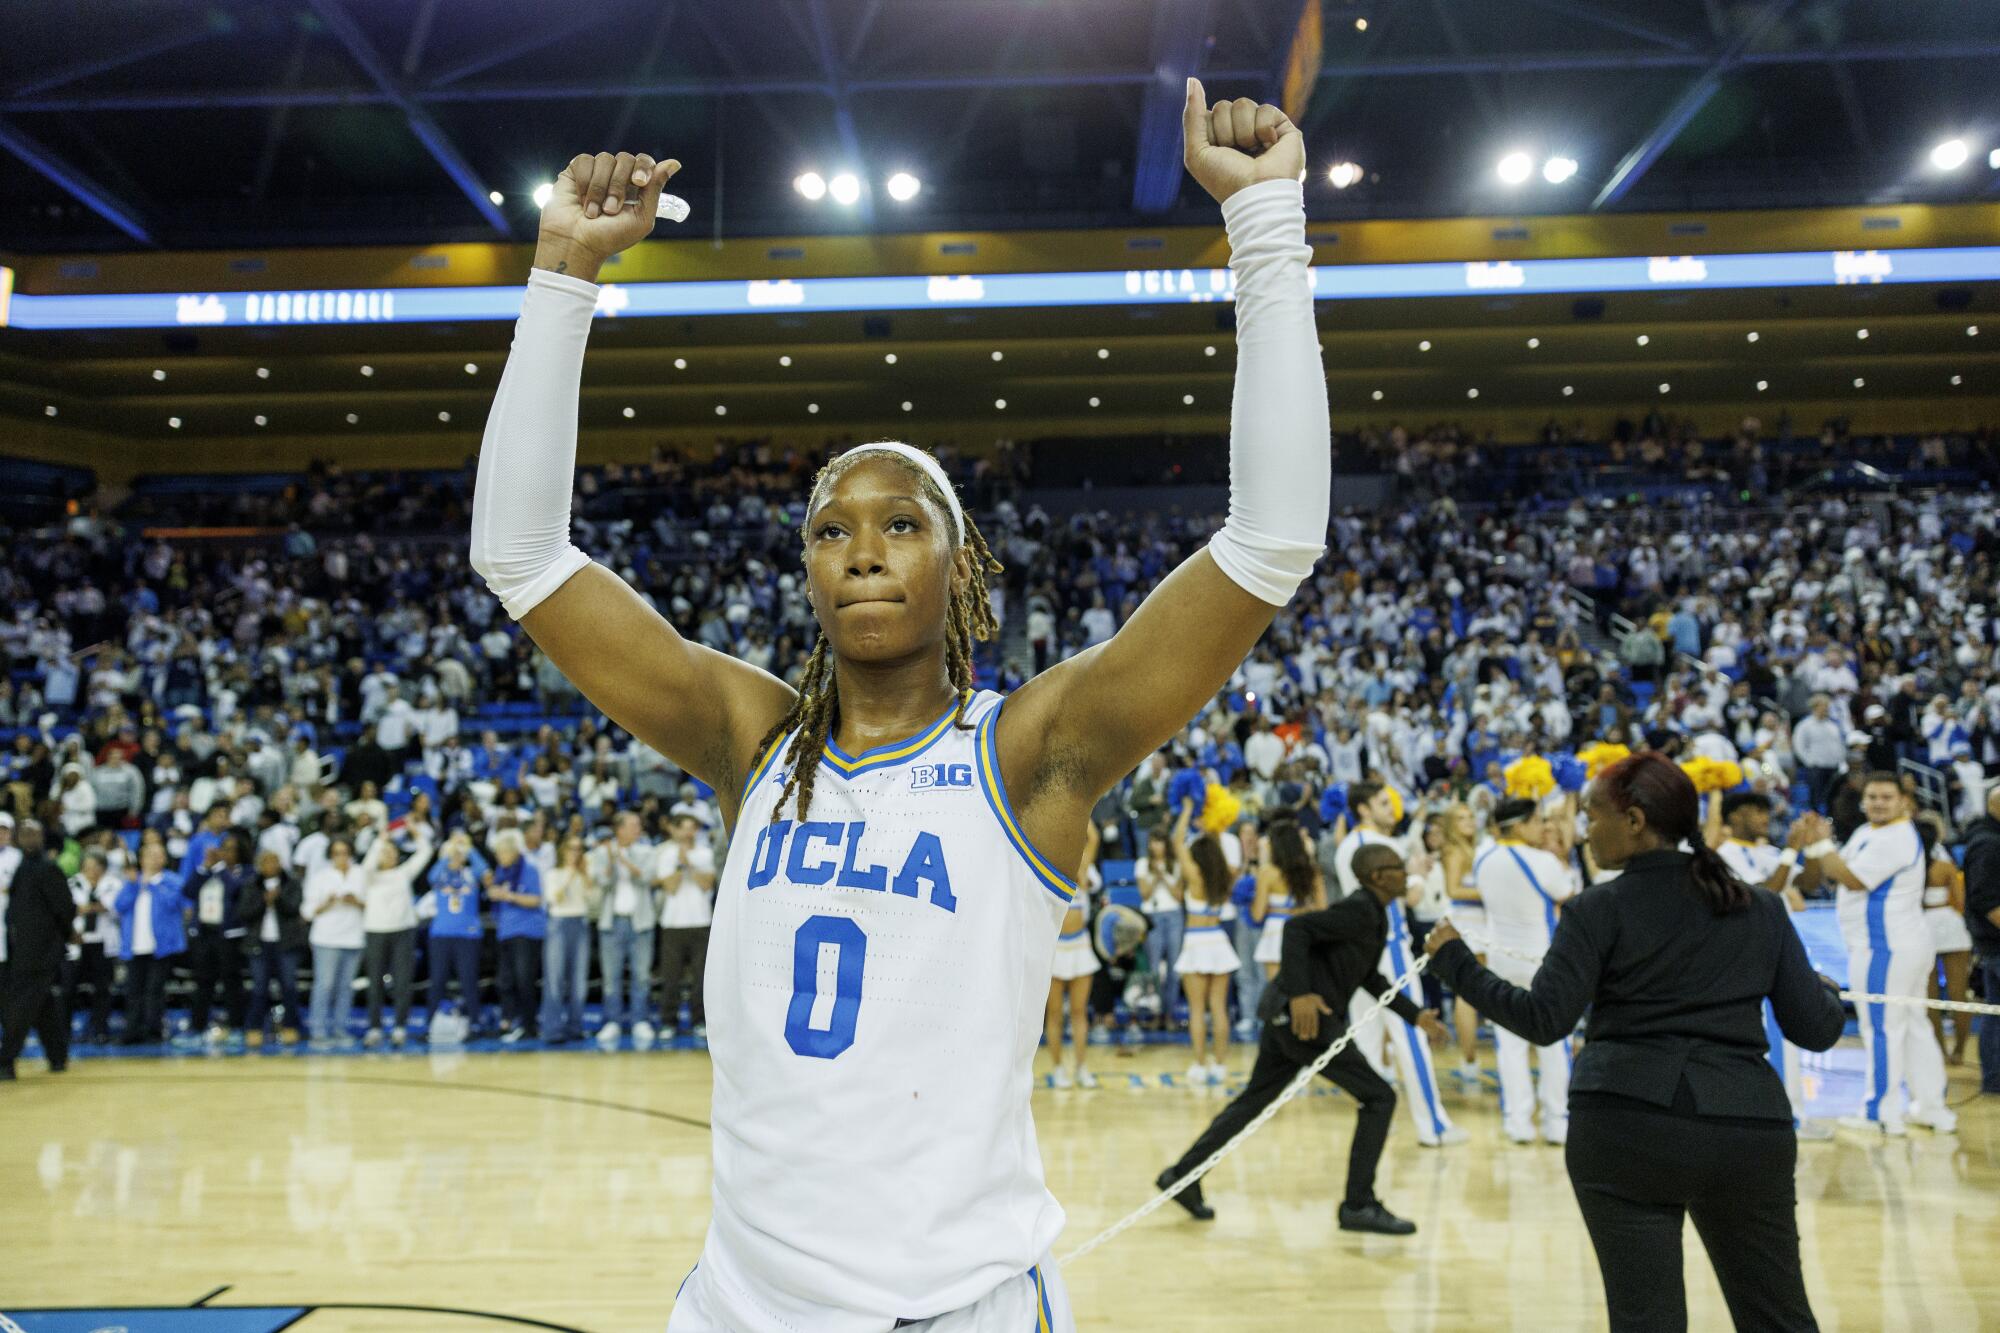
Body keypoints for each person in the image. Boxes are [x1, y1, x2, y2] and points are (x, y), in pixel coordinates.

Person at [469, 80, 1328, 1330]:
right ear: (808, 568)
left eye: (900, 523)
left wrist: (1265, 227)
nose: (862, 549)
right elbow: (522, 554)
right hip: (739, 1308)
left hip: (955, 1307)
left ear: (959, 565)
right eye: (830, 529)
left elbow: (1269, 542)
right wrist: (560, 275)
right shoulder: (746, 737)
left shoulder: (1032, 753)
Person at [1426, 752, 1846, 1332]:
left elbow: (1544, 1019)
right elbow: (1817, 1029)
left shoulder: (1597, 909)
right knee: (1777, 1317)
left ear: (1635, 820)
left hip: (1626, 1125)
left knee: (1645, 1321)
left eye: (1593, 814)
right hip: (1745, 1126)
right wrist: (1823, 990)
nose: (1583, 829)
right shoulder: (1760, 907)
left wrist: (1454, 962)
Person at [1158, 844, 1448, 1234]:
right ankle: (1358, 1205)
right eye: (1398, 868)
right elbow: (1297, 928)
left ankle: (1182, 1175)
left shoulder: (1374, 914)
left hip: (1289, 1019)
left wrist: (1417, 1017)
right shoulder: (1361, 908)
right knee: (1380, 1097)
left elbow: (1366, 976)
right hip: (1304, 1021)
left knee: (1251, 1103)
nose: (1405, 874)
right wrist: (1299, 995)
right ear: (1379, 876)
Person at [1802, 771, 1955, 1135]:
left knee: (1882, 1029)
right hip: (1897, 944)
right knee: (1913, 1025)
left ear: (1904, 801)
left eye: (1886, 797)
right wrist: (1820, 849)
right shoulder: (1868, 832)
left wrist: (1822, 844)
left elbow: (1852, 878)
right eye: (1872, 796)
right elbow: (1830, 872)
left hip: (1885, 947)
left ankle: (1880, 1113)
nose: (1878, 803)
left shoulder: (1897, 837)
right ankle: (1931, 1107)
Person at [1707, 792, 1835, 1139]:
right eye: (1754, 811)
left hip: (1781, 950)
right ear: (1734, 818)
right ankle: (1777, 1114)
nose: (1764, 817)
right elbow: (1760, 893)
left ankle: (1793, 1110)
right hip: (1749, 955)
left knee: (1788, 1038)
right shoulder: (1724, 855)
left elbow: (1809, 883)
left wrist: (1809, 847)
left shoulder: (1770, 852)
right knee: (1768, 1035)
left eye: (1766, 810)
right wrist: (1792, 850)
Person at [1467, 796, 1581, 1145]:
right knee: (1554, 1043)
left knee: (1509, 1045)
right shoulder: (1542, 860)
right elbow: (1567, 892)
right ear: (1518, 825)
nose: (1542, 828)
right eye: (1537, 822)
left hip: (1501, 960)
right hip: (1542, 960)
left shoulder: (1483, 857)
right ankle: (1555, 1119)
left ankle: (1517, 1121)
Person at [1171, 799, 1240, 1085]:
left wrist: (1187, 809)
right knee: (1219, 1008)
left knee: (1198, 1009)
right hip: (1218, 940)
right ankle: (1221, 1065)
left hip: (1197, 942)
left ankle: (1200, 1064)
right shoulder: (1225, 876)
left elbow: (1176, 841)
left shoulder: (1195, 876)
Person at [2, 820, 76, 1079]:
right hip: (22, 950)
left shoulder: (48, 868)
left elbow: (65, 908)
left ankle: (6, 1060)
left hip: (40, 952)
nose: (29, 839)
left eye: (33, 834)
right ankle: (57, 1057)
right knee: (42, 1005)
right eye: (24, 834)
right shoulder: (23, 867)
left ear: (42, 837)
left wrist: (64, 937)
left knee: (20, 1007)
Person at [358, 815, 434, 1048]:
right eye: (385, 853)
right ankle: (374, 1028)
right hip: (376, 931)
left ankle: (400, 1027)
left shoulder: (403, 873)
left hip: (403, 932)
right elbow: (367, 865)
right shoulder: (370, 877)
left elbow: (426, 851)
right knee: (375, 983)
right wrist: (381, 841)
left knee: (402, 982)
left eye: (392, 852)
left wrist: (414, 831)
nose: (388, 856)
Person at [590, 810, 658, 1047]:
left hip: (641, 922)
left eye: (638, 825)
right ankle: (613, 1022)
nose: (638, 829)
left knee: (641, 976)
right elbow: (602, 882)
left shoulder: (646, 851)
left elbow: (647, 878)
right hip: (612, 921)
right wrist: (611, 861)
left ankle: (640, 1020)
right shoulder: (601, 853)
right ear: (619, 829)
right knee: (611, 977)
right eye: (633, 825)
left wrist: (624, 860)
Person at [114, 839, 186, 1044]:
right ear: (142, 859)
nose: (155, 859)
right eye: (150, 855)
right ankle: (132, 1031)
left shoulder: (172, 880)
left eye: (159, 855)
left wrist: (151, 885)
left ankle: (153, 1031)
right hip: (135, 945)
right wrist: (134, 885)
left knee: (154, 990)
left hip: (161, 947)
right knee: (133, 990)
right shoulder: (131, 882)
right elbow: (119, 906)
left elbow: (174, 903)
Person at [654, 812, 716, 1039]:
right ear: (675, 830)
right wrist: (680, 866)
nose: (689, 833)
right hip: (673, 923)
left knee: (701, 978)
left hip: (701, 921)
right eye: (685, 828)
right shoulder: (666, 854)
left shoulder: (705, 853)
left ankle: (699, 1021)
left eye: (693, 828)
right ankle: (668, 1022)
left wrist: (688, 863)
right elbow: (670, 887)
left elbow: (707, 884)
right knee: (671, 977)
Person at [304, 835, 368, 1048]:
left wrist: (356, 902)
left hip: (353, 937)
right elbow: (307, 912)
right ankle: (318, 1031)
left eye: (345, 853)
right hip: (326, 938)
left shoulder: (361, 875)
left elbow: (374, 905)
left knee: (345, 987)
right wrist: (327, 903)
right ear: (330, 856)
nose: (341, 857)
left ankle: (340, 1029)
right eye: (336, 853)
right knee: (325, 985)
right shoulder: (320, 877)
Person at [242, 848, 307, 1046]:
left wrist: (277, 900)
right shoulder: (252, 884)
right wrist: (263, 902)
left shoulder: (291, 883)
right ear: (260, 866)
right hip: (259, 944)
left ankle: (291, 1026)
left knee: (289, 987)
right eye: (267, 862)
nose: (272, 866)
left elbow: (294, 909)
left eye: (275, 861)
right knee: (260, 988)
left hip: (286, 944)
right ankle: (255, 1028)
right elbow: (245, 913)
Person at [488, 827, 545, 1042]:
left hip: (527, 931)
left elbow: (536, 900)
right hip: (506, 931)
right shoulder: (502, 871)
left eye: (502, 853)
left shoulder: (529, 868)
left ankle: (529, 1025)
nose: (499, 857)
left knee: (524, 979)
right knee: (505, 980)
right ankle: (509, 1021)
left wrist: (508, 896)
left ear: (512, 852)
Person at [1962, 785, 2000, 1095]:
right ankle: (1995, 1080)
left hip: (1992, 944)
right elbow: (1987, 902)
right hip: (1995, 944)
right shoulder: (1988, 844)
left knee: (1995, 1011)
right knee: (1995, 1013)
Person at [539, 832, 593, 1044]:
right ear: (563, 851)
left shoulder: (584, 874)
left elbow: (592, 900)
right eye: (572, 848)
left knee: (579, 980)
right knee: (555, 979)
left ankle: (575, 1026)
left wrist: (585, 876)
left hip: (580, 923)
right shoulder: (553, 874)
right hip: (559, 924)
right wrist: (571, 874)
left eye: (579, 849)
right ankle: (552, 1029)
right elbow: (555, 898)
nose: (575, 853)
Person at [65, 848, 121, 1044]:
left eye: (96, 867)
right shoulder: (72, 883)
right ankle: (64, 1031)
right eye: (88, 867)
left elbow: (115, 908)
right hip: (78, 941)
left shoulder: (113, 883)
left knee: (102, 989)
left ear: (103, 867)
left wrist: (92, 908)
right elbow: (66, 909)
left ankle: (100, 1030)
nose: (92, 871)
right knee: (69, 988)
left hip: (103, 941)